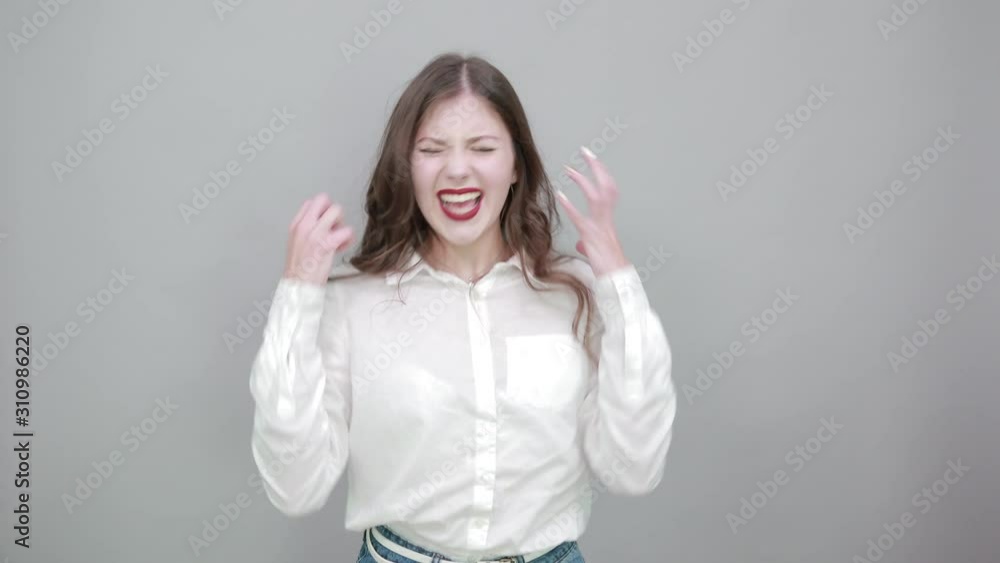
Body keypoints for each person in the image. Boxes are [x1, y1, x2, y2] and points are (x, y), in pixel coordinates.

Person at [248, 52, 677, 563]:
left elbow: (634, 468)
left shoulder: (576, 292)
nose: (456, 169)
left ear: (516, 164)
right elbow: (295, 487)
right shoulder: (351, 301)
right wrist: (297, 295)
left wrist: (619, 283)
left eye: (482, 147)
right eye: (431, 149)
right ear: (407, 166)